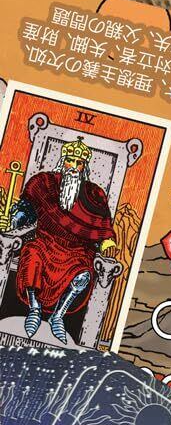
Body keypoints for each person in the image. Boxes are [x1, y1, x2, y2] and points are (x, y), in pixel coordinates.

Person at [9, 137, 116, 344]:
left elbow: (102, 226)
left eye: (79, 163)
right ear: (62, 161)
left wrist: (106, 242)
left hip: (77, 251)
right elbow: (26, 210)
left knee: (83, 274)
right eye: (70, 161)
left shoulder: (94, 194)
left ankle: (58, 316)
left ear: (84, 167)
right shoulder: (44, 183)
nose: (74, 167)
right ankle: (34, 309)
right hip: (45, 242)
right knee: (31, 254)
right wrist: (18, 218)